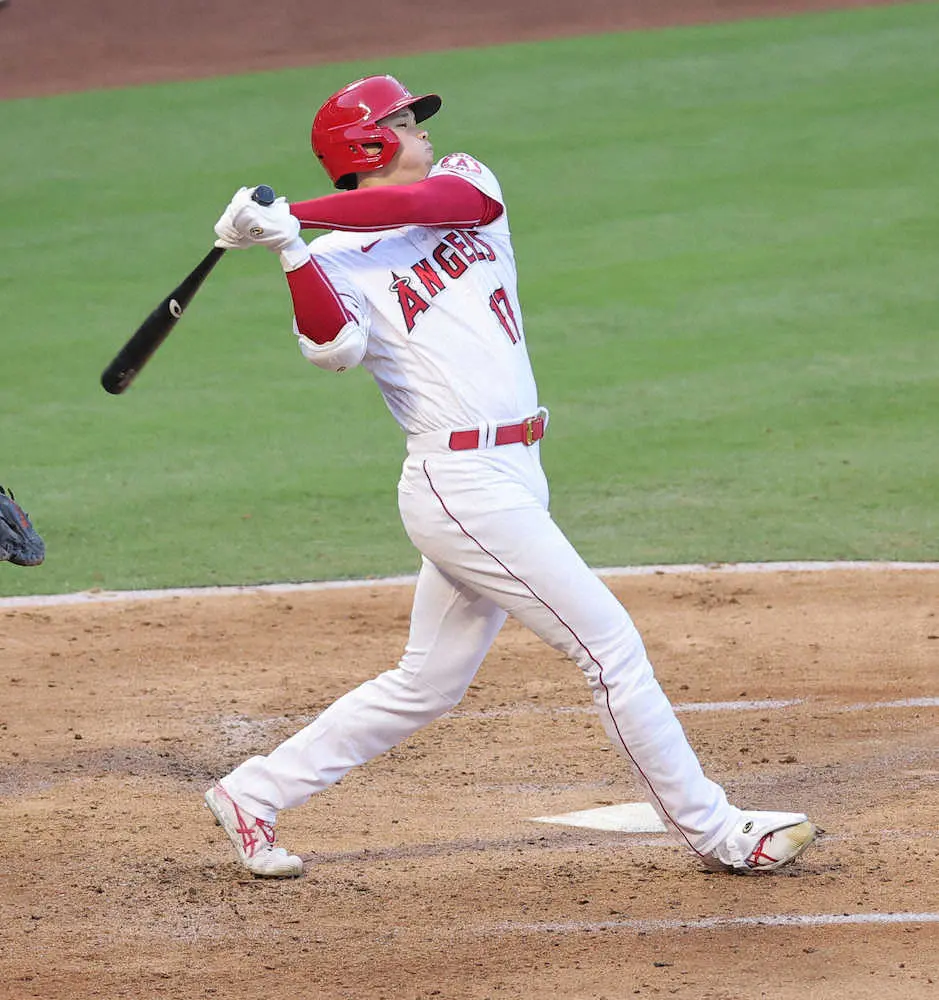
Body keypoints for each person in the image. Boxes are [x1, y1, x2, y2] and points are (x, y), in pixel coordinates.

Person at [204, 74, 817, 878]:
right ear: (370, 142)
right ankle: (719, 834)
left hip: (516, 470)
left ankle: (253, 792)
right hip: (460, 485)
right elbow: (333, 351)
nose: (423, 131)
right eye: (405, 121)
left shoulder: (464, 181)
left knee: (427, 683)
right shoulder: (330, 259)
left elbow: (432, 204)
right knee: (609, 649)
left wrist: (295, 214)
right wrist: (288, 248)